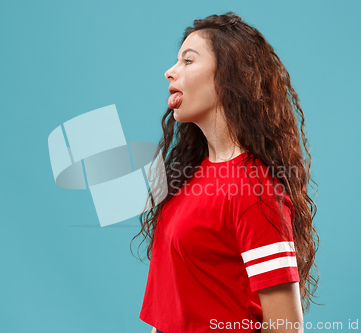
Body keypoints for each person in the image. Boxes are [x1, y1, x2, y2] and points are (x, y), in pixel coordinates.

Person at [131, 11, 319, 333]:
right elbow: (174, 308)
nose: (170, 72)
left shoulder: (254, 189)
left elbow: (285, 327)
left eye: (188, 61)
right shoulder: (191, 175)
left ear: (229, 76)